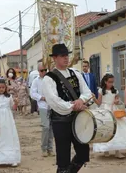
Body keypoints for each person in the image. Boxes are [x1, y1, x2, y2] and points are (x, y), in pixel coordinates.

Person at [42, 44, 92, 173]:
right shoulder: (49, 78)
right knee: (63, 157)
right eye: (62, 56)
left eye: (67, 55)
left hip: (78, 118)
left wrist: (81, 100)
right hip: (61, 121)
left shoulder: (75, 73)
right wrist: (73, 106)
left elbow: (87, 92)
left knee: (83, 153)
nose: (66, 58)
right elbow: (54, 101)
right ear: (55, 58)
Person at [92, 73, 126, 158]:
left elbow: (118, 100)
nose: (111, 84)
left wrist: (117, 101)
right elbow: (99, 103)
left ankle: (117, 150)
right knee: (106, 128)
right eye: (109, 82)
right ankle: (106, 149)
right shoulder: (101, 91)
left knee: (117, 129)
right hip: (104, 110)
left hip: (114, 110)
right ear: (105, 82)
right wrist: (94, 98)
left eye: (112, 82)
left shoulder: (115, 91)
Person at [30, 63, 54, 157]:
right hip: (43, 106)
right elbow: (32, 93)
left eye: (45, 70)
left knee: (51, 128)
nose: (43, 72)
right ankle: (44, 148)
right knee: (46, 127)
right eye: (41, 70)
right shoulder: (36, 81)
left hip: (52, 106)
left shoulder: (50, 79)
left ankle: (50, 148)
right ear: (38, 71)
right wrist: (41, 97)